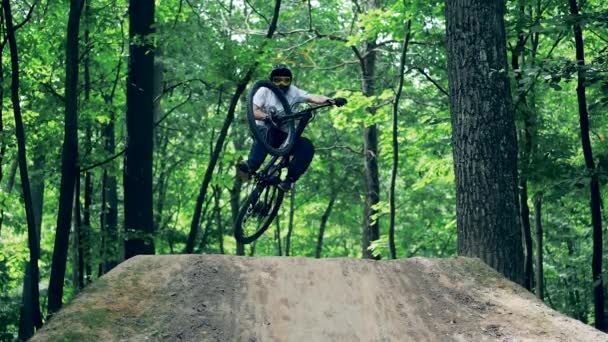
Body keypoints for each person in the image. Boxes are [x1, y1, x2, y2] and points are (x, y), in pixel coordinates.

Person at [237, 64, 346, 191]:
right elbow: (252, 111)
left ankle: (289, 180)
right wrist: (267, 117)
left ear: (290, 81)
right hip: (264, 130)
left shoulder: (294, 92)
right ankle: (250, 166)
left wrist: (331, 100)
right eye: (277, 80)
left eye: (286, 80)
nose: (282, 84)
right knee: (267, 131)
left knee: (306, 146)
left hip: (284, 136)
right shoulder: (264, 90)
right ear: (271, 81)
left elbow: (312, 97)